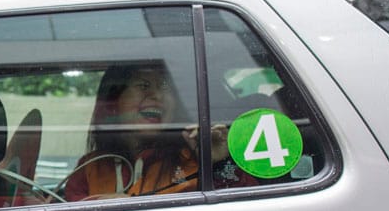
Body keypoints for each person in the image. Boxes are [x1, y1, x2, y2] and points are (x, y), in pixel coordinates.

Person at [62, 63, 250, 200]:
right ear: (113, 104)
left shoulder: (195, 157)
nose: (157, 95)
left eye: (166, 87)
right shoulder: (90, 168)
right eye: (143, 85)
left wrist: (218, 163)